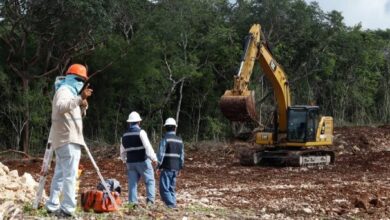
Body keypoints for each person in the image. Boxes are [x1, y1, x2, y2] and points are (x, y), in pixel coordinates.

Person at [45, 63, 93, 217]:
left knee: (60, 175)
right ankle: (67, 209)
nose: (81, 84)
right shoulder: (64, 90)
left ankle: (52, 205)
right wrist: (80, 98)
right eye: (79, 80)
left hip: (66, 140)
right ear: (72, 78)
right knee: (70, 176)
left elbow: (72, 114)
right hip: (68, 140)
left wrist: (82, 105)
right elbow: (61, 107)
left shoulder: (69, 92)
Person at [120, 111, 158, 206]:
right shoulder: (141, 132)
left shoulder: (124, 136)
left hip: (130, 163)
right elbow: (148, 147)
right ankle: (150, 202)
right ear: (139, 122)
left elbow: (122, 152)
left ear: (129, 123)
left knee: (132, 183)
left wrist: (124, 160)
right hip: (143, 161)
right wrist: (154, 158)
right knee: (150, 181)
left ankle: (132, 203)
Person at [156, 118, 184, 208]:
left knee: (164, 188)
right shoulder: (180, 140)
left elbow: (161, 154)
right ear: (175, 128)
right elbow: (182, 156)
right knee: (171, 187)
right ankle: (173, 203)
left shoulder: (165, 139)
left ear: (165, 128)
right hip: (176, 168)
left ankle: (171, 205)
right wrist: (180, 167)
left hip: (167, 167)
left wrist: (158, 166)